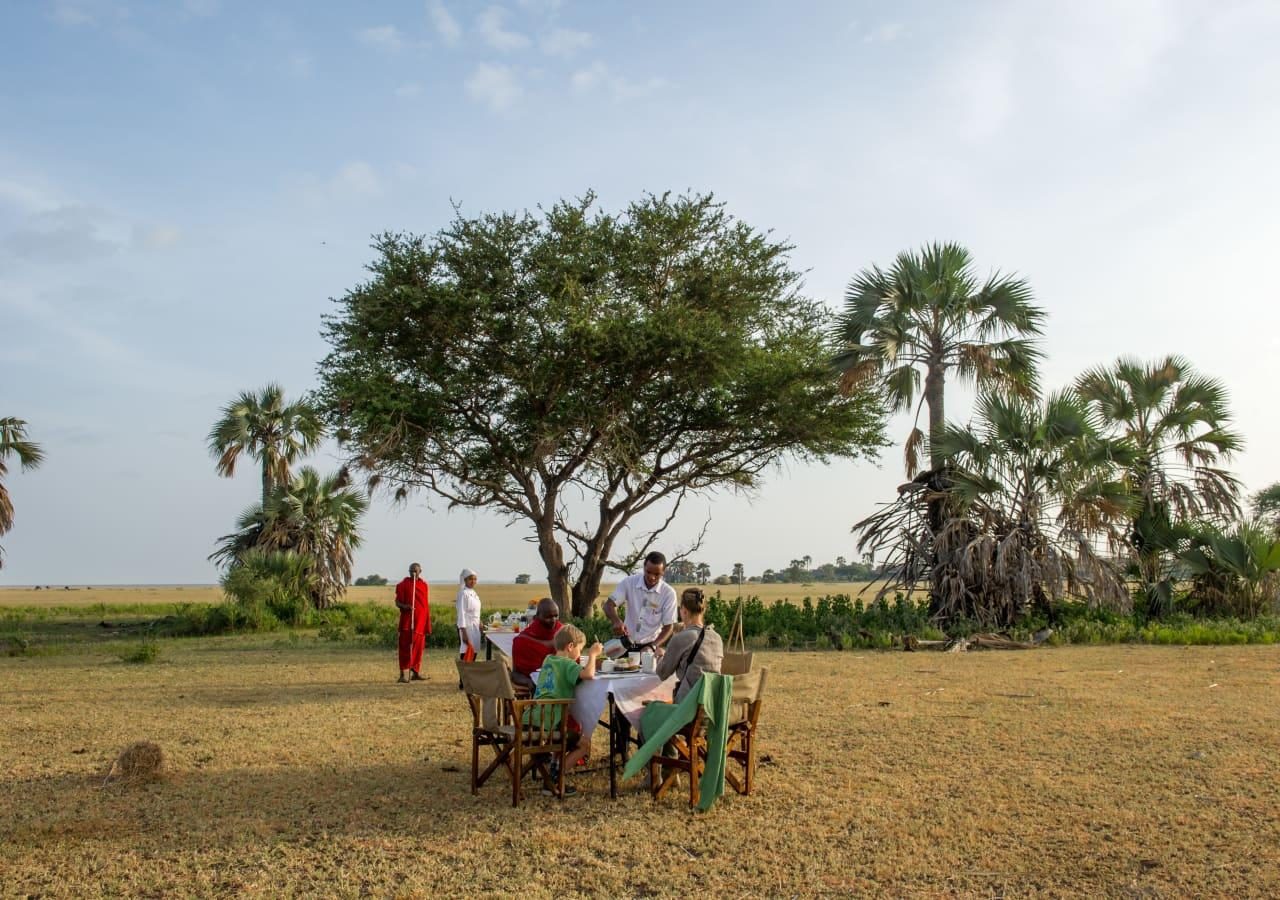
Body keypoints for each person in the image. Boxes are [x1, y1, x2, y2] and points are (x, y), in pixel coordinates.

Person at [528, 624, 601, 793]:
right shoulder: (568, 664)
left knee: (564, 735)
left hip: (532, 717)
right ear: (570, 647)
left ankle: (552, 770)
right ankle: (555, 779)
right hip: (549, 722)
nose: (579, 654)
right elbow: (588, 675)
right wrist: (592, 654)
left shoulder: (548, 659)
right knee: (583, 744)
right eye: (579, 650)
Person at [655, 587, 724, 702]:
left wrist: (660, 656)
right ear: (704, 610)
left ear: (684, 610)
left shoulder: (680, 638)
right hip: (713, 703)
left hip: (688, 706)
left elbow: (662, 673)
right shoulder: (717, 638)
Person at [603, 550, 678, 651]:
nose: (652, 577)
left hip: (650, 646)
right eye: (648, 572)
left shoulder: (669, 593)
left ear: (663, 572)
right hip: (625, 642)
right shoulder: (629, 582)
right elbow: (608, 605)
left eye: (657, 574)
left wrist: (653, 646)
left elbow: (668, 628)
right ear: (644, 567)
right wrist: (616, 621)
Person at [511, 597, 563, 684]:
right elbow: (516, 673)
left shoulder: (563, 632)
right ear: (537, 616)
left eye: (556, 616)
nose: (553, 620)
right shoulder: (522, 641)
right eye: (548, 617)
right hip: (535, 685)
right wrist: (528, 682)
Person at [395, 563, 431, 683]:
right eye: (411, 571)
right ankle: (402, 675)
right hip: (407, 622)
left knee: (418, 648)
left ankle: (415, 672)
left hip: (420, 622)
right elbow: (397, 602)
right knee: (405, 647)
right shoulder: (403, 585)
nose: (413, 573)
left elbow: (425, 605)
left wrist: (426, 621)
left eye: (416, 571)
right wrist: (406, 606)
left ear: (421, 571)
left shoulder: (424, 586)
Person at [455, 568, 482, 666]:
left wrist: (480, 621)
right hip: (467, 628)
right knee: (466, 654)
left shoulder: (474, 593)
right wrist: (464, 633)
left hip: (475, 627)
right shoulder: (463, 593)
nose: (473, 581)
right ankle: (463, 680)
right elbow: (461, 614)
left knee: (473, 654)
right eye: (470, 579)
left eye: (475, 579)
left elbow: (475, 610)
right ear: (465, 580)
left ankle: (469, 680)